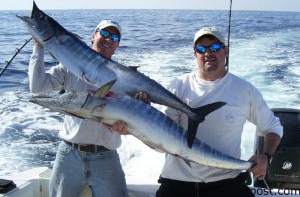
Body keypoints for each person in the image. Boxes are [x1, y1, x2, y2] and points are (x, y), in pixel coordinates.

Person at [112, 27, 283, 197]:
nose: (207, 53)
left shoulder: (245, 90)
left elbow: (273, 127)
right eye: (201, 49)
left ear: (226, 50)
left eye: (214, 47)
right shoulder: (178, 86)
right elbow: (162, 143)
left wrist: (266, 156)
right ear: (195, 55)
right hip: (177, 181)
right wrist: (134, 126)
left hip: (227, 181)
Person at [28, 19, 128, 197]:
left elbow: (132, 117)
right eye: (104, 33)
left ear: (117, 46)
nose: (108, 39)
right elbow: (37, 88)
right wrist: (39, 46)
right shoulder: (69, 68)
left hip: (106, 155)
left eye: (114, 37)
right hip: (69, 154)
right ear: (93, 36)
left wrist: (125, 128)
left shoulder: (124, 80)